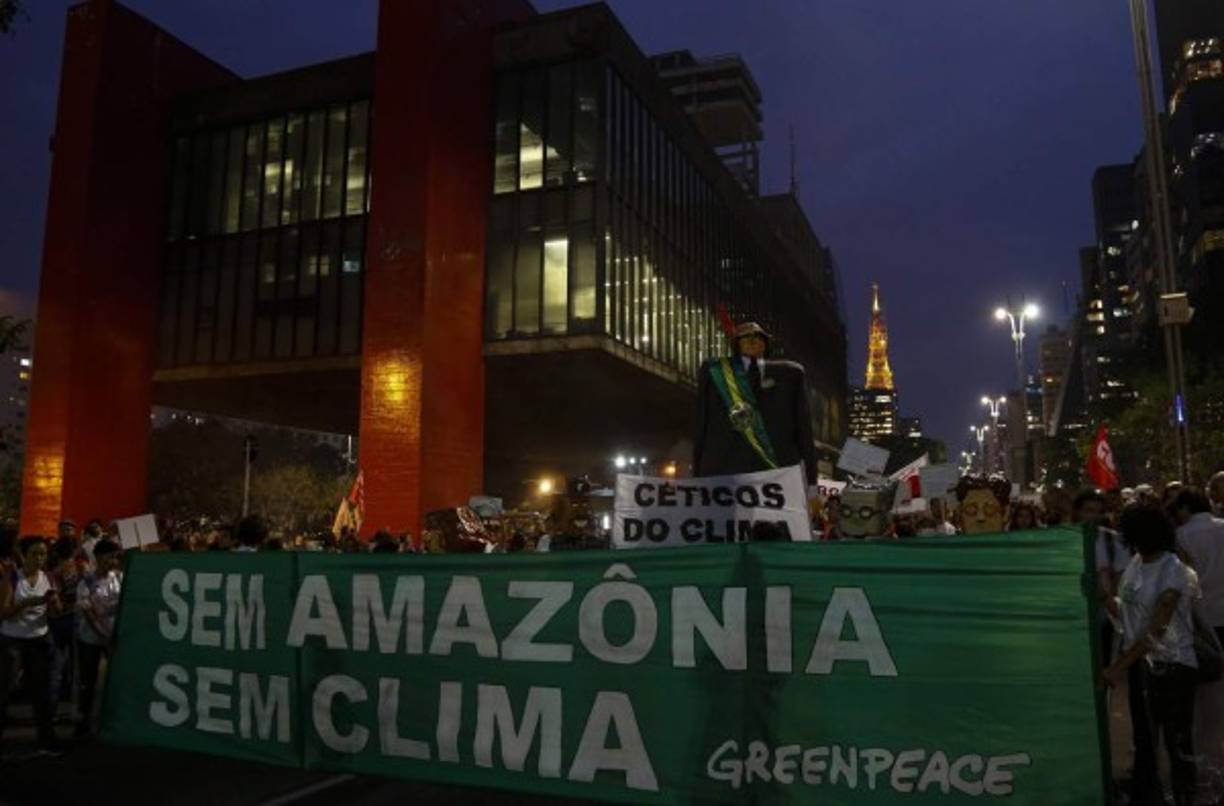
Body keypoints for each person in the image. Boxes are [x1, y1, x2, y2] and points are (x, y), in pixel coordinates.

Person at [1105, 504, 1200, 806]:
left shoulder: (1173, 569)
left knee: (1177, 741)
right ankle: (1147, 794)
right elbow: (1129, 614)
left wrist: (1118, 667)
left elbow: (1156, 629)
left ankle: (1185, 795)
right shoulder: (1136, 564)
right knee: (1145, 739)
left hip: (1173, 667)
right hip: (1142, 668)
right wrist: (1105, 598)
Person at [693, 322, 818, 485]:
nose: (752, 340)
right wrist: (697, 475)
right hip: (724, 470)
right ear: (736, 344)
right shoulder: (714, 370)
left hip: (775, 470)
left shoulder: (791, 374)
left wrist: (811, 482)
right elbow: (701, 422)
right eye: (745, 337)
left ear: (766, 344)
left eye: (758, 337)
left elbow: (804, 429)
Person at [0, 536, 63, 756]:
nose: (39, 558)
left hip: (40, 639)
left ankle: (46, 742)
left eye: (43, 553)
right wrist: (28, 602)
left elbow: (57, 613)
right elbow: (4, 613)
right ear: (24, 555)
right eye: (34, 553)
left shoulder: (49, 578)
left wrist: (54, 603)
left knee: (42, 692)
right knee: (4, 690)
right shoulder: (12, 578)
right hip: (13, 640)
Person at [1076, 489, 1130, 664]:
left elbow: (1122, 578)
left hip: (1105, 617)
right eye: (1089, 510)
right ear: (1077, 512)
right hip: (1072, 617)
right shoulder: (1064, 542)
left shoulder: (1112, 541)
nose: (1094, 516)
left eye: (1099, 512)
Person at [75, 539, 122, 737]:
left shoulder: (119, 578)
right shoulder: (86, 583)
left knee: (117, 679)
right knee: (89, 681)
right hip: (91, 640)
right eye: (110, 556)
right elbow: (90, 616)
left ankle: (113, 719)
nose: (114, 560)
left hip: (114, 638)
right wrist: (104, 639)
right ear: (99, 557)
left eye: (116, 556)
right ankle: (83, 720)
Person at [46, 536, 81, 723]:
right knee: (75, 669)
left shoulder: (52, 574)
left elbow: (54, 602)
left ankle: (50, 712)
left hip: (55, 621)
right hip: (74, 619)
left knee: (55, 668)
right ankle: (74, 711)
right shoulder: (79, 569)